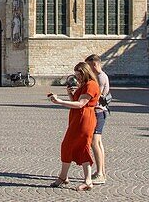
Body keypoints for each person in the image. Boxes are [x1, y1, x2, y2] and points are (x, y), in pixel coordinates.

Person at [47, 62, 100, 191]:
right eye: (76, 75)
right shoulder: (84, 85)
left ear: (85, 73)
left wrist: (60, 101)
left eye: (79, 75)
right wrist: (70, 94)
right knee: (68, 145)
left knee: (81, 147)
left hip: (85, 119)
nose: (77, 78)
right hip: (77, 118)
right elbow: (76, 102)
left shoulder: (91, 85)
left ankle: (86, 181)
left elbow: (81, 104)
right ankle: (64, 177)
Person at [85, 54, 111, 186]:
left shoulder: (100, 77)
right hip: (101, 112)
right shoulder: (102, 76)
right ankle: (101, 171)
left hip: (99, 112)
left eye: (89, 66)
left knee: (95, 143)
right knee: (99, 143)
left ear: (94, 64)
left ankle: (100, 174)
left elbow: (95, 96)